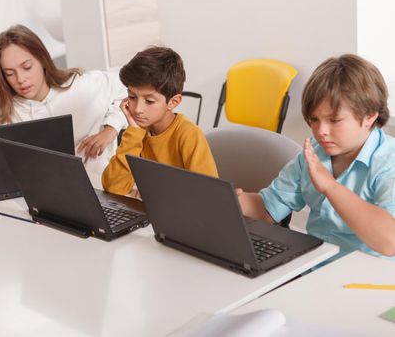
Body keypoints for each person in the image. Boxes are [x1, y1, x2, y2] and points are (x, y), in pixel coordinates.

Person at [238, 54, 395, 262]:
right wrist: (232, 203)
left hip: (367, 279)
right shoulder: (313, 152)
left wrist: (331, 187)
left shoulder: (388, 162)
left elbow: (389, 242)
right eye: (314, 119)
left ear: (370, 116)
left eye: (334, 120)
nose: (321, 131)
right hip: (315, 268)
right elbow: (268, 208)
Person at [0, 24, 127, 176]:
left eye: (27, 67)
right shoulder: (5, 116)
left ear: (42, 60)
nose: (20, 79)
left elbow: (128, 89)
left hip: (101, 186)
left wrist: (111, 128)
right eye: (10, 73)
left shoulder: (83, 87)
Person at [101, 46, 218, 196]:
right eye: (132, 97)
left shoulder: (188, 135)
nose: (137, 109)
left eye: (149, 101)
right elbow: (113, 188)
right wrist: (134, 134)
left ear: (173, 102)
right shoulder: (136, 133)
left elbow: (208, 195)